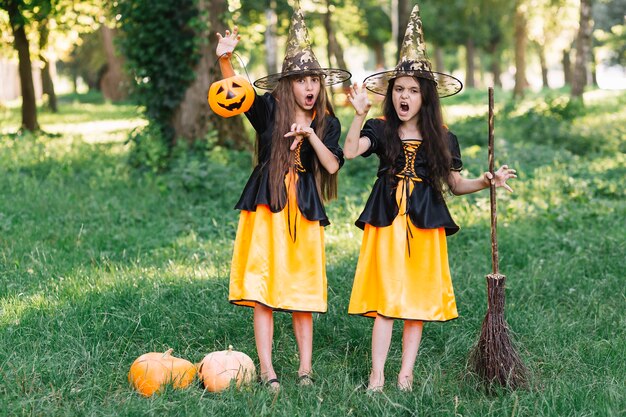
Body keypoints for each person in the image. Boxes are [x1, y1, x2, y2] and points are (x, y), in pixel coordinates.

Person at [343, 4, 516, 392]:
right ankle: (376, 376)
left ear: (425, 97)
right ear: (392, 94)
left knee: (416, 300)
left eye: (413, 91)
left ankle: (405, 375)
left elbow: (455, 184)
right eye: (399, 89)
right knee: (386, 298)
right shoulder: (381, 128)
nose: (405, 96)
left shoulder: (442, 136)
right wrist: (357, 115)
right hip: (387, 218)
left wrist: (487, 181)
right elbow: (351, 151)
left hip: (425, 220)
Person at [215, 8, 351, 391]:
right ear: (288, 84)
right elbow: (234, 95)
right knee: (264, 290)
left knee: (303, 291)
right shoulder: (270, 111)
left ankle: (305, 371)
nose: (309, 87)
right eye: (301, 80)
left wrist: (311, 136)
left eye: (314, 80)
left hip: (304, 209)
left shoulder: (327, 123)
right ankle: (267, 370)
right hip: (266, 205)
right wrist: (226, 59)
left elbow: (332, 166)